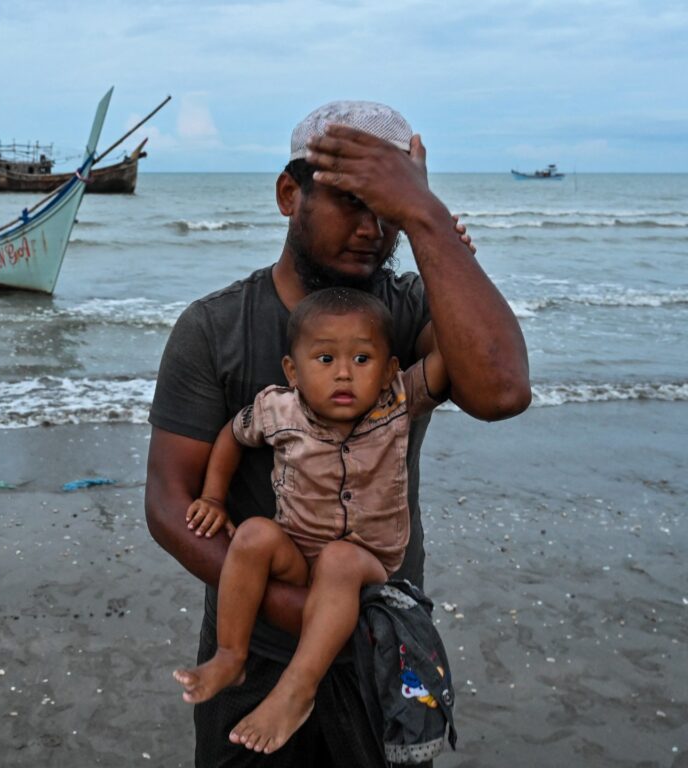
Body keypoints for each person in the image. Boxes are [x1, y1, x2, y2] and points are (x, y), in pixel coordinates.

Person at [145, 100, 530, 767]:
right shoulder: (216, 327)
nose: (372, 229)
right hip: (254, 644)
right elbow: (168, 503)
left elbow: (500, 390)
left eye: (390, 210)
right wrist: (290, 606)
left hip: (383, 640)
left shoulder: (410, 312)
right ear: (289, 194)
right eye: (352, 203)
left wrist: (429, 220)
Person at [173, 286, 449, 755]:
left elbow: (452, 355)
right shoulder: (277, 408)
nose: (343, 373)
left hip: (369, 561)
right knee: (256, 533)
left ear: (388, 372)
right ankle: (231, 655)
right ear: (292, 371)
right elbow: (232, 436)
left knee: (340, 560)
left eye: (362, 360)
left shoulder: (397, 402)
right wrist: (214, 497)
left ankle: (298, 687)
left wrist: (446, 256)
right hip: (299, 553)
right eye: (324, 359)